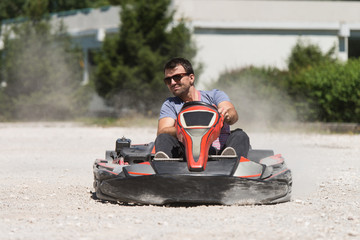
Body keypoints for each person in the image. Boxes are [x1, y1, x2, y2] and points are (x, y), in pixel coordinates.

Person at [155, 57, 250, 159]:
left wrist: (227, 115)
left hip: (221, 151)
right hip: (187, 154)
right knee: (163, 138)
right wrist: (186, 128)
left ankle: (230, 160)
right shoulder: (170, 104)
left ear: (191, 78)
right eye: (168, 80)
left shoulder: (214, 95)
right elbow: (162, 131)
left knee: (240, 135)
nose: (172, 83)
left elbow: (233, 115)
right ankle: (163, 165)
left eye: (177, 77)